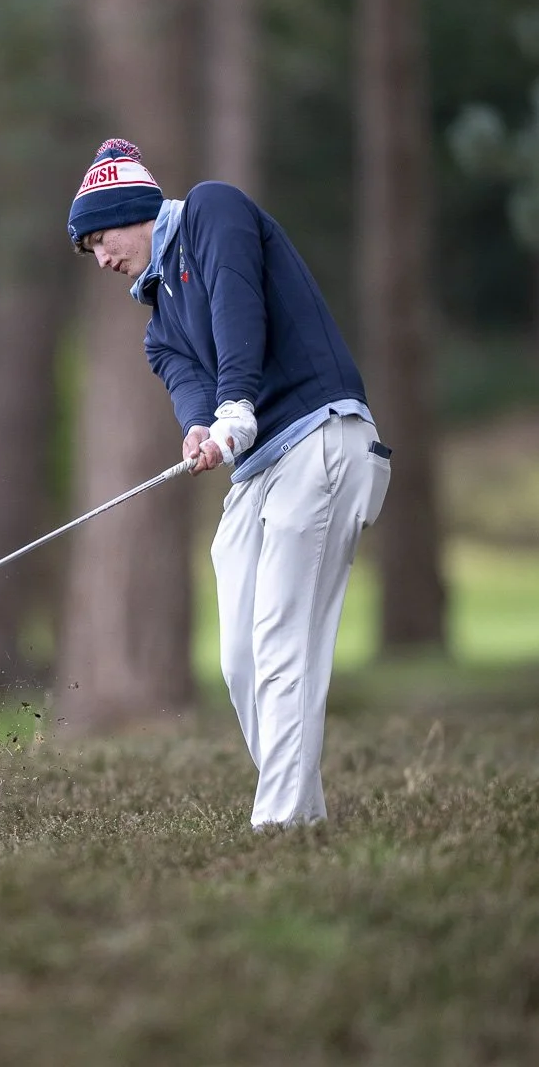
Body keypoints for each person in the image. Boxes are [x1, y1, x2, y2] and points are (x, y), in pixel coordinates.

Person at [68, 138, 392, 828]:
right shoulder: (159, 327)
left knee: (281, 639)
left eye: (101, 236)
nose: (100, 257)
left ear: (135, 211)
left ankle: (279, 826)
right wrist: (200, 430)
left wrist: (235, 407)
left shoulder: (212, 213)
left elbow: (238, 305)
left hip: (321, 437)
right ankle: (302, 815)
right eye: (88, 247)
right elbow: (191, 386)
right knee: (241, 658)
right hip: (260, 467)